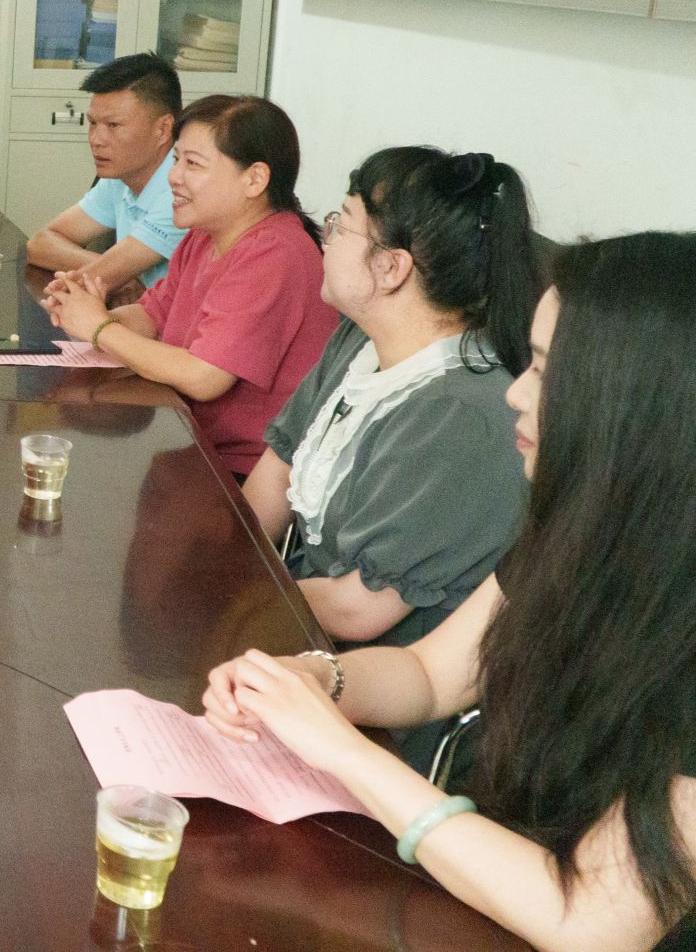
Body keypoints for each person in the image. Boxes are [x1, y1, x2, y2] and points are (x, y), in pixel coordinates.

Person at [203, 233, 696, 951]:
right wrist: (317, 679)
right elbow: (432, 673)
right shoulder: (589, 530)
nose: (515, 392)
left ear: (638, 406)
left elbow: (590, 925)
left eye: (545, 371)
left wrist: (344, 752)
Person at [249, 148, 539, 656]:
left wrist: (238, 598)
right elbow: (276, 471)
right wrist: (221, 568)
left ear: (390, 267)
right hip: (298, 617)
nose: (326, 237)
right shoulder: (359, 342)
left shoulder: (458, 414)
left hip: (375, 670)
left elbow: (358, 609)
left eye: (341, 224)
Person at [43, 94, 337, 478]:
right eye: (176, 159)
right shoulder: (204, 235)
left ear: (255, 179)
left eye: (193, 164)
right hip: (189, 440)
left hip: (244, 473)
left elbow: (204, 377)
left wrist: (99, 327)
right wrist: (84, 308)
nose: (174, 177)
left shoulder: (274, 252)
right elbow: (153, 315)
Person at [24, 54, 185, 299]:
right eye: (92, 123)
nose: (96, 140)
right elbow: (40, 243)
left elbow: (102, 276)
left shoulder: (182, 189)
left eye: (113, 126)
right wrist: (118, 273)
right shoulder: (121, 176)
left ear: (163, 129)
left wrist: (110, 272)